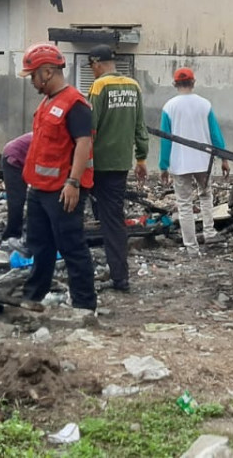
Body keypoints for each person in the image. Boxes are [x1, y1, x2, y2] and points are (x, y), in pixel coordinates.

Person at [18, 43, 97, 312]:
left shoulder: (75, 104)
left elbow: (84, 144)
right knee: (40, 245)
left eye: (33, 75)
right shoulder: (47, 102)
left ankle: (84, 305)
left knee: (71, 245)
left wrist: (73, 183)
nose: (32, 81)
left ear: (48, 72)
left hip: (63, 190)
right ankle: (33, 296)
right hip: (40, 188)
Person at [86, 45, 149, 291]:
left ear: (96, 64)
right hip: (121, 164)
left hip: (97, 163)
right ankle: (119, 275)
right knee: (113, 218)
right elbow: (140, 126)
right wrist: (141, 159)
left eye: (91, 67)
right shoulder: (134, 86)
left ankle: (96, 272)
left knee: (88, 213)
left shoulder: (99, 86)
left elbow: (90, 128)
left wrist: (80, 163)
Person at [159, 67, 230, 249]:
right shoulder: (205, 105)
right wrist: (224, 159)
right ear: (193, 82)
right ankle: (209, 232)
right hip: (203, 161)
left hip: (179, 162)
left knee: (184, 204)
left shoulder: (169, 107)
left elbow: (165, 140)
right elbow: (215, 135)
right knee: (206, 196)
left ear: (175, 84)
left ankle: (191, 247)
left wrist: (163, 166)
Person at [0, 133, 33, 251]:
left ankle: (23, 232)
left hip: (23, 157)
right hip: (13, 158)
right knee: (17, 200)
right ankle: (11, 235)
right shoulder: (51, 139)